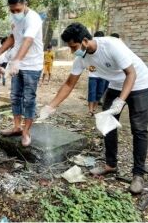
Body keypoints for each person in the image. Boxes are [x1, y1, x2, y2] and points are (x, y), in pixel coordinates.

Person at [39, 23, 148, 194]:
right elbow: (69, 84)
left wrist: (120, 102)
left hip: (140, 83)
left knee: (139, 130)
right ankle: (111, 164)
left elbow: (131, 74)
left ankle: (138, 174)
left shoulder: (111, 45)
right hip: (115, 85)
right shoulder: (81, 58)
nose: (71, 50)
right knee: (108, 123)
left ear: (84, 40)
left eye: (73, 46)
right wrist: (50, 107)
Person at [0, 0, 44, 147]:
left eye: (18, 10)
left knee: (29, 99)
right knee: (15, 96)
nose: (15, 13)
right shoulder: (15, 18)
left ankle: (26, 132)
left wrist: (16, 61)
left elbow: (28, 41)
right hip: (18, 65)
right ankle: (16, 127)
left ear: (25, 4)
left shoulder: (33, 19)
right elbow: (13, 37)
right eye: (12, 10)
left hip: (32, 66)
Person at [87, 31, 109, 115]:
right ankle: (90, 110)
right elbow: (87, 62)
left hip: (103, 75)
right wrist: (90, 67)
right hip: (93, 75)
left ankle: (94, 109)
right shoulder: (90, 48)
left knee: (100, 93)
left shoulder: (105, 49)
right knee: (92, 92)